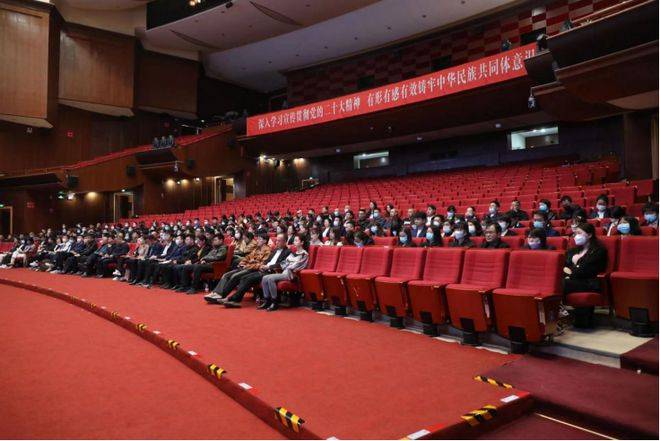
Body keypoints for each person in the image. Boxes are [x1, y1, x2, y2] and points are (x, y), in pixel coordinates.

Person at [206, 233, 278, 306]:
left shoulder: (267, 251)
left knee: (235, 276)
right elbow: (248, 257)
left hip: (253, 269)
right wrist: (242, 263)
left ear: (265, 241)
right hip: (248, 267)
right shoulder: (257, 249)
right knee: (226, 274)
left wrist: (248, 264)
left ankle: (221, 295)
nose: (257, 241)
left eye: (259, 239)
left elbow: (261, 264)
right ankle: (217, 293)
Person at [563, 223, 608, 328]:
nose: (576, 236)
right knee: (557, 283)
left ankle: (559, 313)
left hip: (589, 283)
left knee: (561, 284)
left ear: (589, 235)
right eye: (575, 234)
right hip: (573, 281)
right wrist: (573, 270)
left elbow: (587, 270)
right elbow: (563, 267)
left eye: (579, 233)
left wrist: (572, 270)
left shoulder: (598, 250)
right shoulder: (572, 251)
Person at [259, 234, 310, 311]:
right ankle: (267, 300)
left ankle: (275, 302)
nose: (294, 242)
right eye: (294, 240)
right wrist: (272, 267)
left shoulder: (304, 254)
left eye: (296, 240)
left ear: (302, 242)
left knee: (270, 278)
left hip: (292, 274)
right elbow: (285, 263)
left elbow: (296, 265)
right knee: (264, 278)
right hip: (285, 272)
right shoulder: (294, 253)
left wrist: (288, 265)